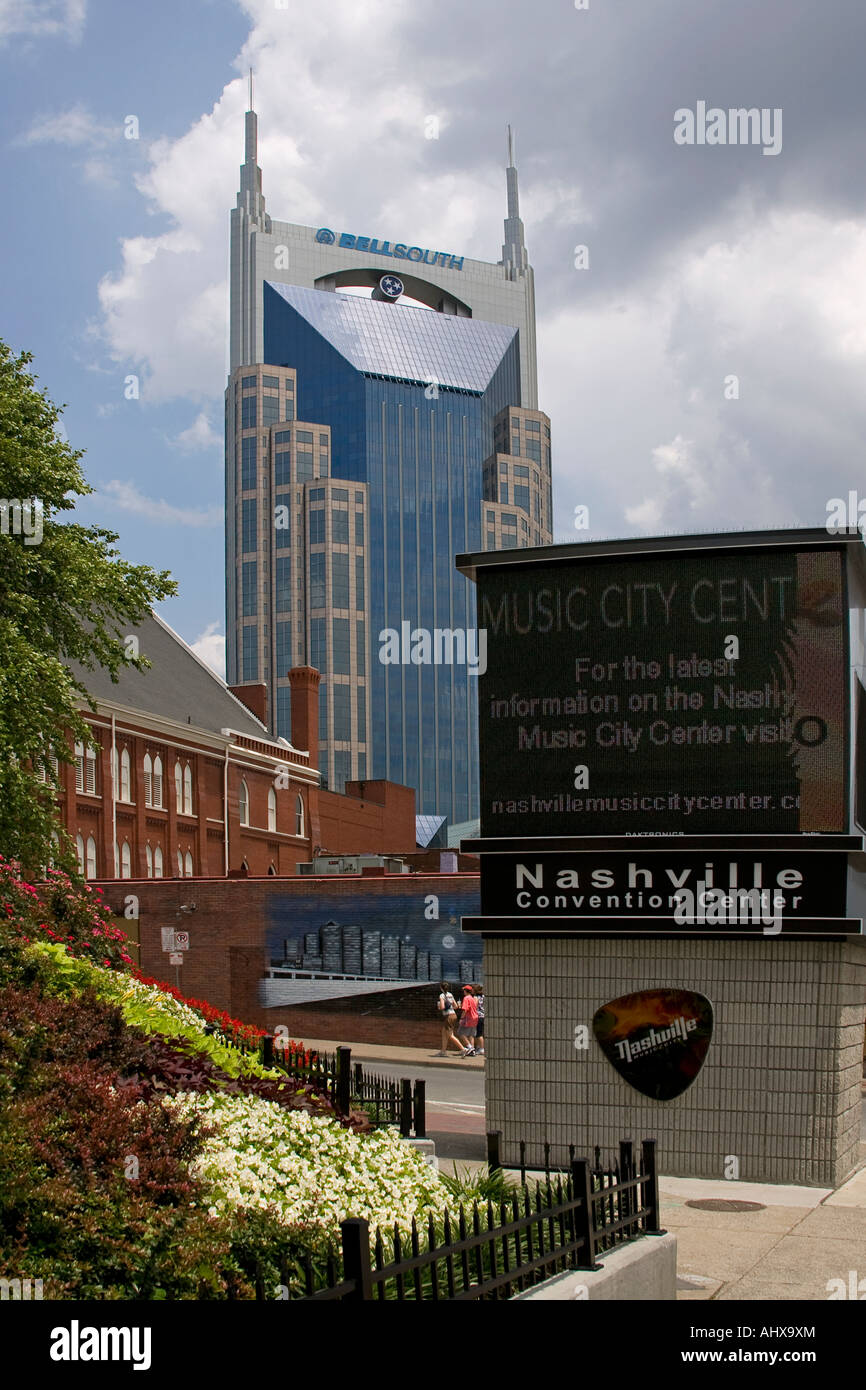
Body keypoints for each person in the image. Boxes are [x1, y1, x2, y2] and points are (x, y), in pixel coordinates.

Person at [436, 981, 466, 1055]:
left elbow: (442, 1007)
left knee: (450, 1035)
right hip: (453, 1015)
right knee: (444, 1032)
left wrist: (439, 1007)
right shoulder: (450, 994)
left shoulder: (442, 995)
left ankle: (463, 1049)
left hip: (448, 1016)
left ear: (441, 988)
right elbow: (456, 1006)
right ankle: (443, 1051)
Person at [455, 983, 479, 1057]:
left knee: (460, 1033)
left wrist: (461, 1018)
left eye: (464, 990)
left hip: (468, 1018)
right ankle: (472, 1051)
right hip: (475, 1017)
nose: (463, 992)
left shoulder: (466, 998)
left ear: (466, 991)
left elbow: (465, 1010)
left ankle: (470, 1047)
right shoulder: (472, 998)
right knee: (471, 1035)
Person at [473, 984, 485, 1056]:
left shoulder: (476, 997)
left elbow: (475, 1006)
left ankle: (481, 1049)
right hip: (483, 1016)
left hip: (478, 1016)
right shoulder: (483, 997)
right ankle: (478, 1047)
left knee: (478, 1033)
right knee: (479, 1032)